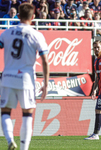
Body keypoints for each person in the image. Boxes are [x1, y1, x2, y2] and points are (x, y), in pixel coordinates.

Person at [0, 3, 49, 150]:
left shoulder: (6, 33)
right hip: (26, 79)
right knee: (27, 114)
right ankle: (24, 148)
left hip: (8, 77)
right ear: (33, 17)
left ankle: (9, 140)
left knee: (5, 112)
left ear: (18, 16)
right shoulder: (37, 35)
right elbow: (45, 60)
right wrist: (46, 84)